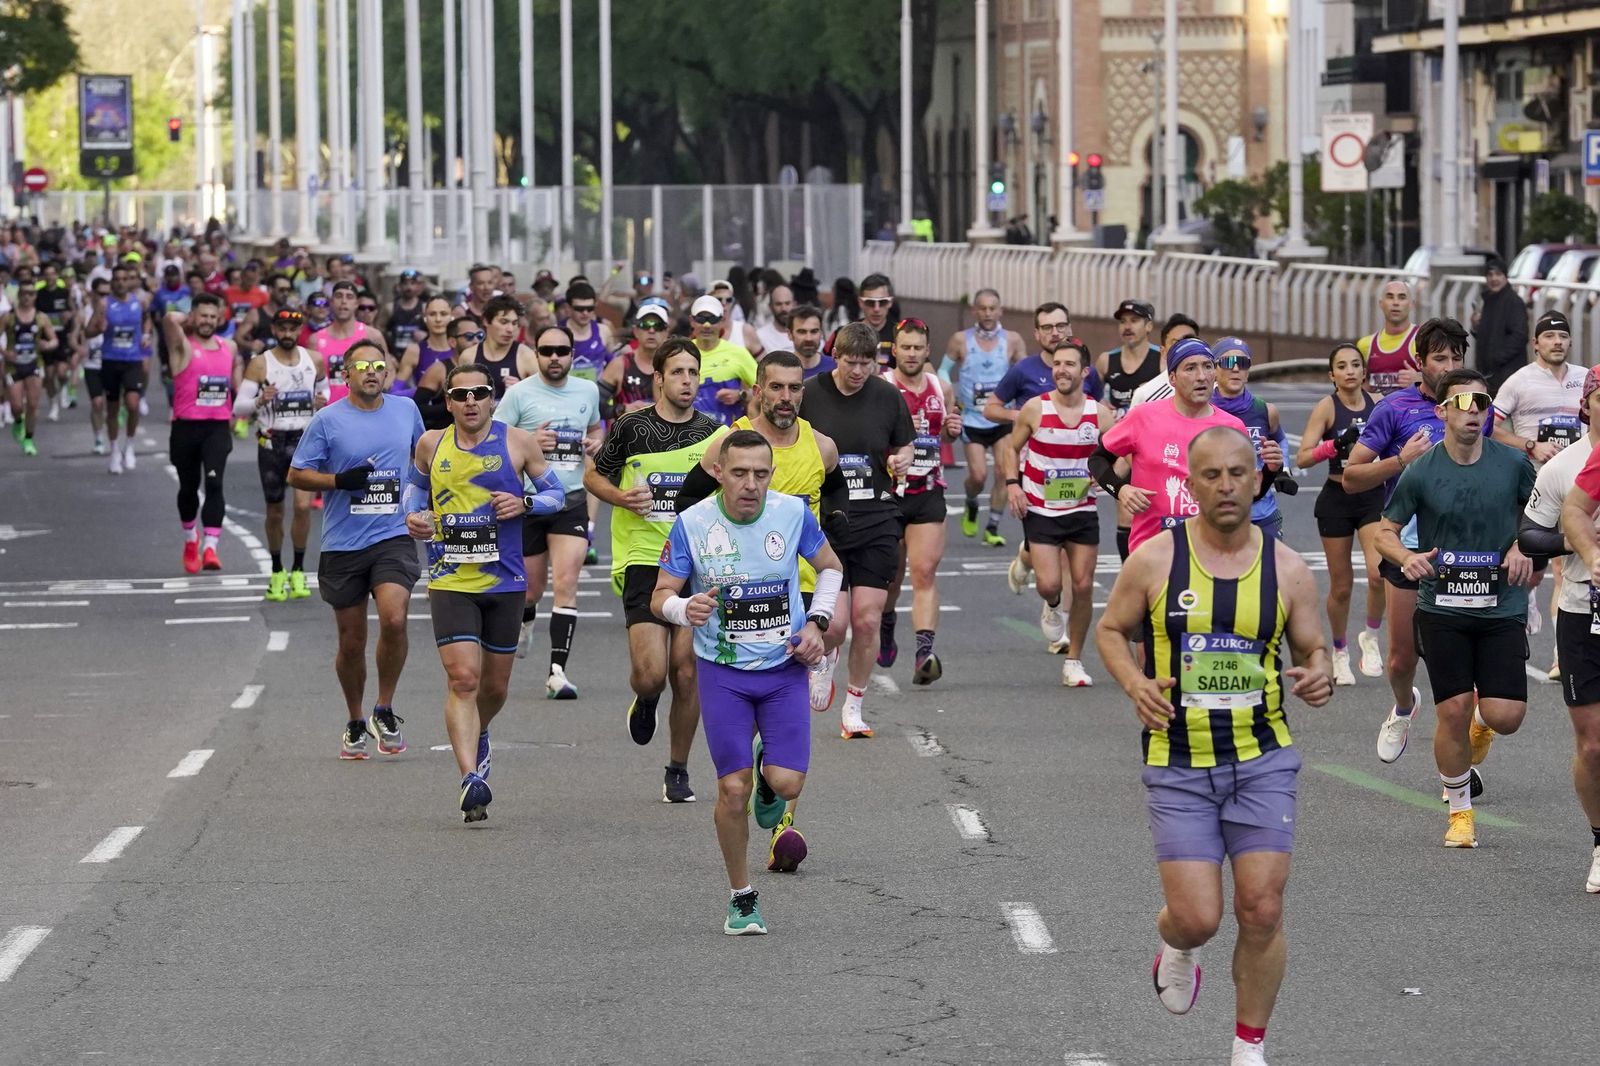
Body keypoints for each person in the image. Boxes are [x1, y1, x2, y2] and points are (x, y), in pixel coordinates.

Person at [1095, 426, 1331, 1066]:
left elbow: (1315, 647)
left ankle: (1248, 1047)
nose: (1226, 486)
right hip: (1178, 762)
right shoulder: (1155, 560)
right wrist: (1136, 683)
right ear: (1191, 484)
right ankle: (1177, 943)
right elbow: (1111, 631)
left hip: (1263, 759)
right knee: (1198, 916)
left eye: (1237, 473)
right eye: (1211, 476)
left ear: (1257, 478)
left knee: (1260, 907)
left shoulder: (1286, 567)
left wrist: (1320, 674)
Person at [652, 429, 844, 935]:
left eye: (761, 474)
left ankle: (768, 768)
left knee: (787, 783)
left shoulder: (792, 513)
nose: (751, 484)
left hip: (783, 671)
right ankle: (742, 897)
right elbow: (661, 595)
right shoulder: (692, 523)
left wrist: (816, 624)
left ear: (772, 475)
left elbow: (830, 569)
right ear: (718, 472)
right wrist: (682, 607)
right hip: (723, 673)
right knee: (732, 792)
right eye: (739, 473)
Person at [1376, 367, 1535, 848]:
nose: (1475, 412)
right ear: (1442, 411)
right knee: (1452, 709)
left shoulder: (1512, 465)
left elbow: (1543, 518)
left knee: (1505, 715)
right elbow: (1386, 531)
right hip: (1442, 608)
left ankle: (1482, 723)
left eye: (1483, 404)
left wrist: (1523, 548)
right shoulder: (1422, 470)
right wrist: (1406, 557)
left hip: (1500, 606)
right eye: (1464, 404)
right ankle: (1460, 812)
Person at [405, 364, 569, 823]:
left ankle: (481, 731)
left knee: (494, 687)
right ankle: (469, 778)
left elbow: (557, 495)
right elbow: (413, 495)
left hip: (506, 581)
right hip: (450, 579)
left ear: (492, 397)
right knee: (464, 680)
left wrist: (526, 502)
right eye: (461, 395)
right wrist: (415, 518)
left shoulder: (518, 441)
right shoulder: (430, 444)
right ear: (449, 401)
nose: (471, 401)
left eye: (480, 393)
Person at [584, 338, 729, 802]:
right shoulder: (631, 428)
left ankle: (678, 769)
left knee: (686, 671)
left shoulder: (715, 434)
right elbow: (593, 476)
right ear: (659, 378)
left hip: (697, 563)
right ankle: (646, 699)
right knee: (652, 673)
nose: (687, 381)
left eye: (694, 372)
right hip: (645, 558)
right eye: (678, 372)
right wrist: (622, 498)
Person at [1343, 318, 1490, 770]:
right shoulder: (1394, 409)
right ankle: (1405, 707)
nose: (1448, 366)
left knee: (1470, 668)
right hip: (1407, 547)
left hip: (1466, 550)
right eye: (1439, 359)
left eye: (1455, 358)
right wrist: (1400, 460)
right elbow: (1351, 476)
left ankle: (1463, 762)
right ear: (1419, 362)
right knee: (1401, 658)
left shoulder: (1477, 406)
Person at [287, 341, 424, 760]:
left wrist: (428, 507)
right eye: (361, 365)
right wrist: (338, 482)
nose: (371, 371)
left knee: (395, 617)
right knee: (351, 641)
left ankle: (384, 707)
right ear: (345, 374)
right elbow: (297, 474)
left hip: (393, 536)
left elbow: (425, 462)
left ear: (388, 373)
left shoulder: (406, 411)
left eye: (378, 365)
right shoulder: (327, 421)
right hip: (344, 542)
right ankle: (354, 717)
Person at [799, 320, 914, 737]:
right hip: (826, 521)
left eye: (868, 363)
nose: (859, 371)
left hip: (878, 518)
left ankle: (854, 706)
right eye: (851, 362)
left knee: (867, 621)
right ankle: (825, 660)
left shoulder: (886, 395)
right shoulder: (810, 393)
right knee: (837, 625)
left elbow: (905, 442)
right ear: (836, 357)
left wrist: (903, 458)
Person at [1090, 338, 1280, 557]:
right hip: (1153, 552)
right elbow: (1097, 459)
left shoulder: (1232, 427)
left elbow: (1247, 497)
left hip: (1210, 552)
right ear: (1172, 378)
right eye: (1190, 368)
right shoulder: (1144, 417)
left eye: (1207, 367)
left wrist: (1270, 471)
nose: (1201, 376)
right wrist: (1120, 489)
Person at [1521, 366, 1600, 892]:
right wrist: (1579, 547)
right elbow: (1530, 535)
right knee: (1593, 746)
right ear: (1587, 404)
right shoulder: (1566, 466)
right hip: (1579, 609)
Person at [494, 324, 604, 699]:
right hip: (528, 503)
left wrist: (595, 444)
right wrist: (530, 443)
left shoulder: (587, 390)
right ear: (536, 354)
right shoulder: (519, 395)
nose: (554, 358)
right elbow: (494, 443)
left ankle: (557, 673)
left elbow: (596, 427)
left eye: (562, 351)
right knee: (531, 589)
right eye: (547, 351)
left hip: (569, 500)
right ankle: (526, 620)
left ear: (573, 354)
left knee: (566, 584)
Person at [999, 338, 1102, 687]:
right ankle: (1053, 602)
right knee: (1049, 584)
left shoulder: (1099, 414)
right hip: (1041, 507)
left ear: (1084, 372)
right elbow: (1010, 449)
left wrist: (1105, 477)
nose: (1061, 369)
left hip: (1082, 508)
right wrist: (1014, 485)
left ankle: (1074, 660)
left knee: (1085, 585)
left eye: (1070, 364)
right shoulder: (1035, 409)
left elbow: (1122, 454)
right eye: (1057, 363)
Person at [1490, 309, 1584, 652]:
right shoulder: (1519, 381)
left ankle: (1563, 653)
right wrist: (1531, 445)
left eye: (1562, 336)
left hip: (1580, 486)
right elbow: (1489, 426)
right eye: (1549, 336)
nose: (1556, 342)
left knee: (1567, 567)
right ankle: (1525, 597)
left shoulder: (1585, 378)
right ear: (1535, 343)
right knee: (1531, 569)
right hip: (1534, 485)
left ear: (1570, 341)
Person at [1294, 342, 1386, 686]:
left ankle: (1371, 637)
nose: (1349, 371)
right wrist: (1335, 445)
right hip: (1337, 497)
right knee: (1342, 586)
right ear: (1332, 375)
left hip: (1371, 495)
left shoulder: (1378, 404)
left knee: (1379, 574)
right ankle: (1340, 649)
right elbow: (1302, 457)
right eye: (1342, 366)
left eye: (1355, 365)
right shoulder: (1326, 408)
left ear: (1365, 372)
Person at [879, 318, 962, 684]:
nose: (911, 353)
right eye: (905, 347)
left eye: (918, 348)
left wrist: (951, 430)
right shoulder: (881, 387)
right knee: (892, 577)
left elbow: (944, 430)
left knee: (924, 571)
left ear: (928, 351)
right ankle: (886, 622)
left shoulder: (940, 387)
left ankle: (924, 653)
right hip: (889, 493)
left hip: (928, 490)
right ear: (894, 350)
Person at [234, 308, 328, 601]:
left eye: (293, 329)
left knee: (302, 507)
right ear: (274, 330)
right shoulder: (261, 364)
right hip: (272, 442)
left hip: (304, 440)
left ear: (299, 331)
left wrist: (320, 402)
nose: (288, 334)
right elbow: (239, 408)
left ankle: (298, 569)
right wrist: (260, 399)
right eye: (282, 329)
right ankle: (277, 570)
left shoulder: (314, 360)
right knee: (275, 511)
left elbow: (326, 399)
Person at [162, 293, 237, 573]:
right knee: (189, 487)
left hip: (216, 427)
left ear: (219, 320)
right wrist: (188, 319)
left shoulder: (228, 346)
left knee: (215, 484)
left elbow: (234, 382)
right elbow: (170, 319)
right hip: (186, 427)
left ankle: (211, 548)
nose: (207, 322)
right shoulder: (182, 346)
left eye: (212, 317)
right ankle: (191, 538)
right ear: (193, 317)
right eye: (202, 316)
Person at [948, 288, 1026, 546]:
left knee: (1004, 472)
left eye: (993, 308)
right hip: (973, 419)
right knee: (979, 476)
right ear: (975, 311)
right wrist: (951, 401)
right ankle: (971, 503)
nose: (988, 312)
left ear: (1000, 310)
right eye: (983, 308)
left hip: (1002, 418)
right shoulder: (961, 340)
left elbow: (1024, 374)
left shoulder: (1012, 340)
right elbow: (942, 371)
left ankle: (992, 526)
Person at [1209, 338, 1293, 543]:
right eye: (1228, 363)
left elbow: (1280, 440)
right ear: (1214, 369)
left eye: (1243, 363)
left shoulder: (1265, 410)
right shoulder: (1202, 409)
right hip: (1216, 513)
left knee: (1271, 573)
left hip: (1262, 513)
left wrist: (1284, 470)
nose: (1236, 368)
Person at [1, 271, 57, 457]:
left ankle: (29, 439)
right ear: (18, 295)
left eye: (30, 293)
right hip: (13, 366)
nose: (26, 296)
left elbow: (54, 339)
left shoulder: (41, 318)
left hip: (34, 364)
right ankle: (18, 423)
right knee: (17, 406)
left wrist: (47, 344)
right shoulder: (8, 317)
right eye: (23, 293)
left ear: (35, 296)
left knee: (33, 405)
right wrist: (5, 353)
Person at [308, 279, 387, 406]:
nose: (344, 301)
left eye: (349, 297)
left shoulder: (373, 335)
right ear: (331, 302)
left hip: (364, 410)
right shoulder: (315, 340)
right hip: (328, 413)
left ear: (356, 303)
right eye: (339, 296)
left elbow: (389, 371)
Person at [600, 296, 668, 416]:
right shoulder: (620, 365)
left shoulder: (674, 366)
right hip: (627, 433)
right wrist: (622, 409)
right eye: (645, 325)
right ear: (635, 331)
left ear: (666, 332)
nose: (651, 330)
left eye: (658, 326)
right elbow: (596, 405)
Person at [1472, 258, 1529, 396]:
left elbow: (1520, 335)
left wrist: (1495, 358)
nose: (1494, 279)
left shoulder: (1513, 302)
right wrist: (1475, 327)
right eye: (1490, 275)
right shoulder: (1488, 300)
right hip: (1489, 375)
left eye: (1498, 274)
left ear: (1505, 276)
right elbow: (1489, 335)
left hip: (1506, 375)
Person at [1096, 298, 1163, 415]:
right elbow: (1086, 394)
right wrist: (1098, 403)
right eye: (1123, 321)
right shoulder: (1105, 360)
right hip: (1118, 429)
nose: (1127, 327)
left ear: (1149, 326)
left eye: (1134, 320)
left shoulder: (1162, 359)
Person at [1354, 280, 1420, 395]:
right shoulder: (1365, 345)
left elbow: (1445, 378)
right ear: (1381, 303)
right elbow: (1358, 387)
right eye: (1390, 297)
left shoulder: (1423, 339)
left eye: (1402, 297)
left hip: (1412, 411)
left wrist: (1419, 380)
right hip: (1379, 411)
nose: (1395, 302)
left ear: (1411, 304)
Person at [469, 294, 534, 398]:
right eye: (504, 322)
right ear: (486, 321)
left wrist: (522, 391)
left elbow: (542, 401)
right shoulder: (468, 356)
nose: (510, 329)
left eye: (514, 323)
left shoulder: (527, 357)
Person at [564, 281, 614, 383]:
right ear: (569, 308)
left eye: (590, 308)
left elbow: (613, 362)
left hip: (597, 395)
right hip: (565, 395)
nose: (585, 313)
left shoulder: (604, 331)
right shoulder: (555, 333)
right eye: (579, 309)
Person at [382, 268, 427, 356]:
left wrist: (426, 336)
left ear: (418, 286)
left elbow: (436, 331)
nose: (409, 287)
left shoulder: (424, 308)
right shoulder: (390, 308)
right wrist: (387, 354)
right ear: (399, 286)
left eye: (412, 283)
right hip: (396, 355)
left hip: (419, 355)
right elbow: (379, 330)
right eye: (405, 283)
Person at [786, 303, 834, 380]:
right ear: (790, 334)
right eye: (802, 332)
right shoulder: (779, 371)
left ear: (821, 333)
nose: (809, 338)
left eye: (814, 331)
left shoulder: (836, 368)